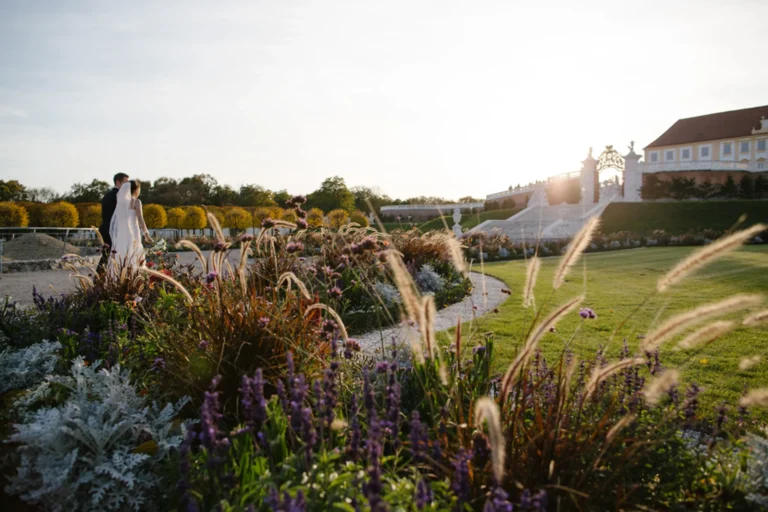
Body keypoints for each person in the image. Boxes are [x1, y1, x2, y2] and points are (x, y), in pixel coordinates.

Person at [109, 179, 153, 270]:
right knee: (134, 255)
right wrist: (146, 234)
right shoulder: (136, 202)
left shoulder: (121, 204)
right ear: (137, 190)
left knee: (121, 256)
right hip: (133, 232)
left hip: (121, 234)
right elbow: (141, 219)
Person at [97, 173, 129, 273]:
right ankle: (101, 279)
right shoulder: (119, 196)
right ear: (118, 182)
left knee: (106, 255)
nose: (128, 185)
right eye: (125, 182)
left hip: (105, 228)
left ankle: (100, 279)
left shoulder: (107, 195)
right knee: (110, 255)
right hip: (112, 229)